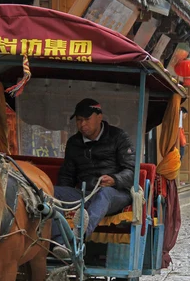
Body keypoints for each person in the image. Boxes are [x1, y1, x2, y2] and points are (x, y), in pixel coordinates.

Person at [52, 98, 135, 256]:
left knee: (104, 194)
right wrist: (62, 196)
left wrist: (114, 179)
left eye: (86, 119)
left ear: (99, 117)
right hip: (85, 193)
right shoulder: (74, 143)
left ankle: (78, 237)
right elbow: (67, 175)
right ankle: (60, 241)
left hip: (116, 194)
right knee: (52, 192)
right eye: (79, 120)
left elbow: (131, 171)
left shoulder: (119, 137)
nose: (82, 125)